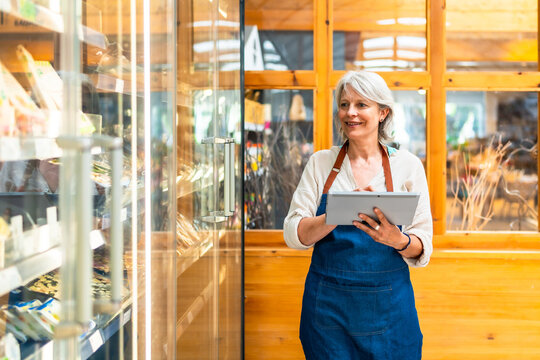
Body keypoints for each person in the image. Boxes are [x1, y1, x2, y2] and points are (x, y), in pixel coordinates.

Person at [283, 70, 433, 359]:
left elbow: (423, 246)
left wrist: (397, 239)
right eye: (344, 104)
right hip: (329, 312)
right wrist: (334, 215)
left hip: (391, 310)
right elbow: (293, 233)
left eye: (361, 105)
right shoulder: (320, 163)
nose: (350, 112)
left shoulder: (408, 166)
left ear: (382, 113)